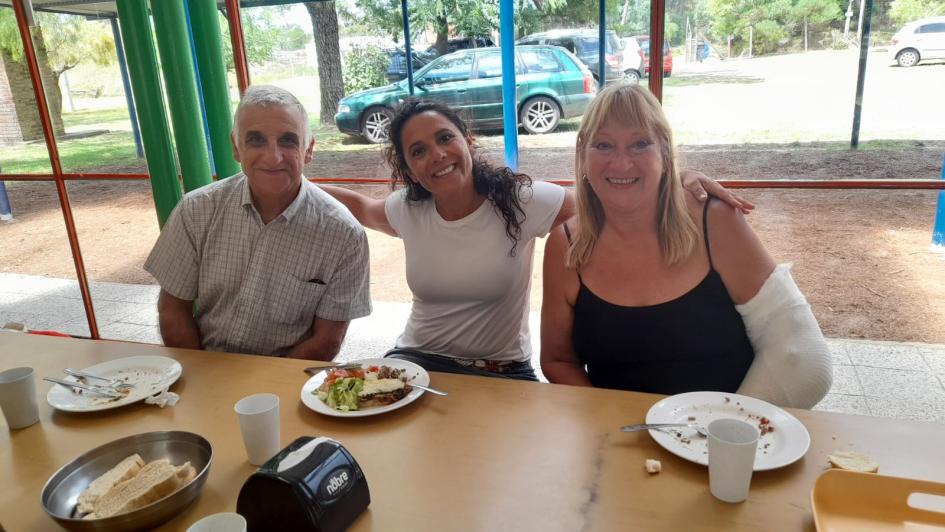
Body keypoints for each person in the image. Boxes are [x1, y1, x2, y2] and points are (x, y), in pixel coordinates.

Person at [322, 98, 749, 381]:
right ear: (410, 169)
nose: (436, 155)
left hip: (501, 369)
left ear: (467, 141)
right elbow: (360, 207)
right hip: (416, 362)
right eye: (418, 151)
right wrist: (293, 181)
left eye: (445, 138)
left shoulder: (521, 201)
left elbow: (609, 196)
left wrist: (675, 183)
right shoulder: (407, 211)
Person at [541, 83, 832, 409]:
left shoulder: (715, 220)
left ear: (664, 149)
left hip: (729, 439)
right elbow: (557, 360)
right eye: (604, 145)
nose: (621, 163)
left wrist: (723, 430)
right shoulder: (566, 246)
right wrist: (607, 418)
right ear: (582, 153)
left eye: (639, 144)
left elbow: (807, 363)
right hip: (620, 440)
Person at [144, 85, 371, 360]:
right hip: (207, 367)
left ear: (308, 149)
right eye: (256, 140)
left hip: (284, 377)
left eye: (288, 141)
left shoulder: (343, 234)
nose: (273, 157)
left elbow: (326, 340)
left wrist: (266, 389)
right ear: (235, 147)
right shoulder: (196, 210)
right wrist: (202, 378)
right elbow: (172, 309)